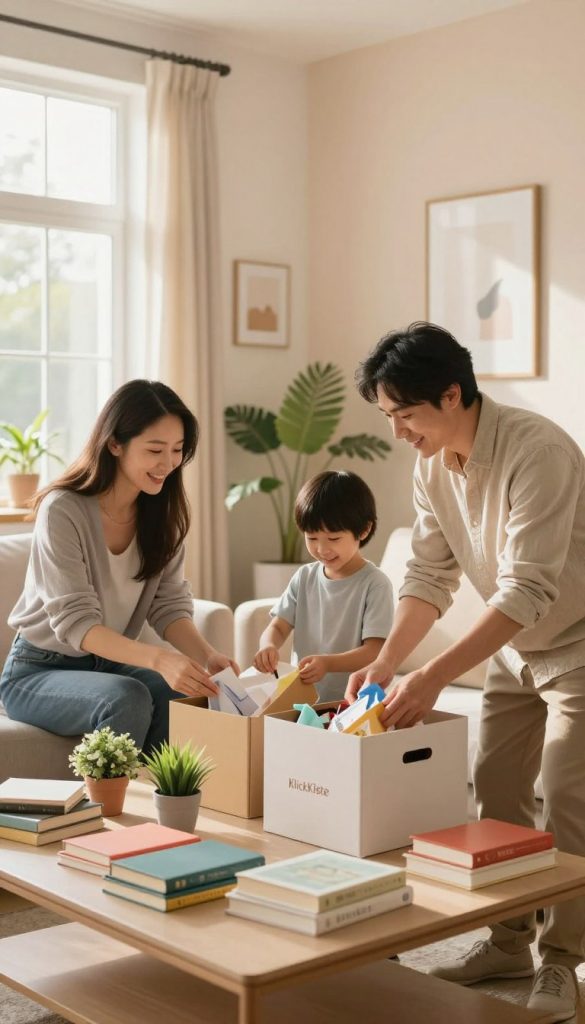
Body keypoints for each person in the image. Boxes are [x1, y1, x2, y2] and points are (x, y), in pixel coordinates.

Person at [347, 321, 585, 1023]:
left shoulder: (535, 451)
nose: (397, 433)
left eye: (405, 414)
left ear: (451, 394)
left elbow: (526, 590)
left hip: (576, 642)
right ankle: (507, 942)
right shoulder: (430, 466)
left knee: (564, 792)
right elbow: (426, 574)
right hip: (517, 650)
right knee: (496, 789)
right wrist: (388, 664)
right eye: (387, 417)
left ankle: (563, 963)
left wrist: (431, 678)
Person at [0, 380, 237, 758]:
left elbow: (168, 606)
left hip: (108, 665)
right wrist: (159, 658)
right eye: (155, 450)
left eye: (177, 450)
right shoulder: (63, 510)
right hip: (36, 672)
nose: (168, 463)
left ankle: (164, 806)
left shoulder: (164, 516)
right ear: (115, 444)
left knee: (179, 692)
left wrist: (209, 657)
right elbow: (76, 623)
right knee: (127, 696)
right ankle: (114, 811)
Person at [254, 470, 393, 702]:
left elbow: (375, 651)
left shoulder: (375, 584)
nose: (321, 549)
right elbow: (278, 627)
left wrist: (328, 663)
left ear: (364, 530)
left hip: (352, 702)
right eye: (312, 538)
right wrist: (268, 646)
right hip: (302, 699)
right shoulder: (304, 577)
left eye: (334, 539)